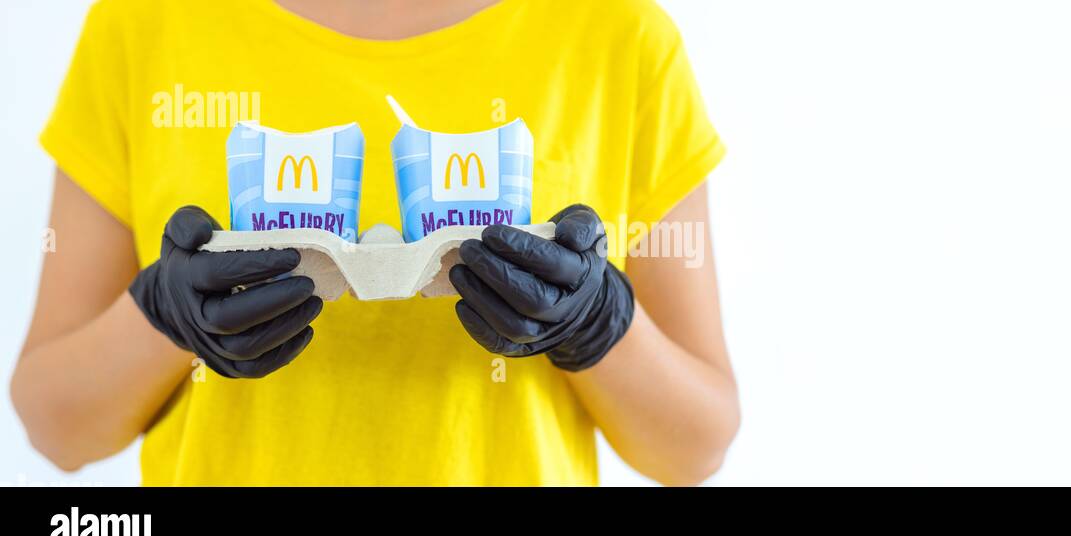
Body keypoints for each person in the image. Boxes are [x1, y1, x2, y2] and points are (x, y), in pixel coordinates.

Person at [11, 0, 738, 486]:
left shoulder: (617, 33)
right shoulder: (144, 24)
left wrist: (599, 323)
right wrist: (162, 317)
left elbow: (697, 446)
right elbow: (55, 425)